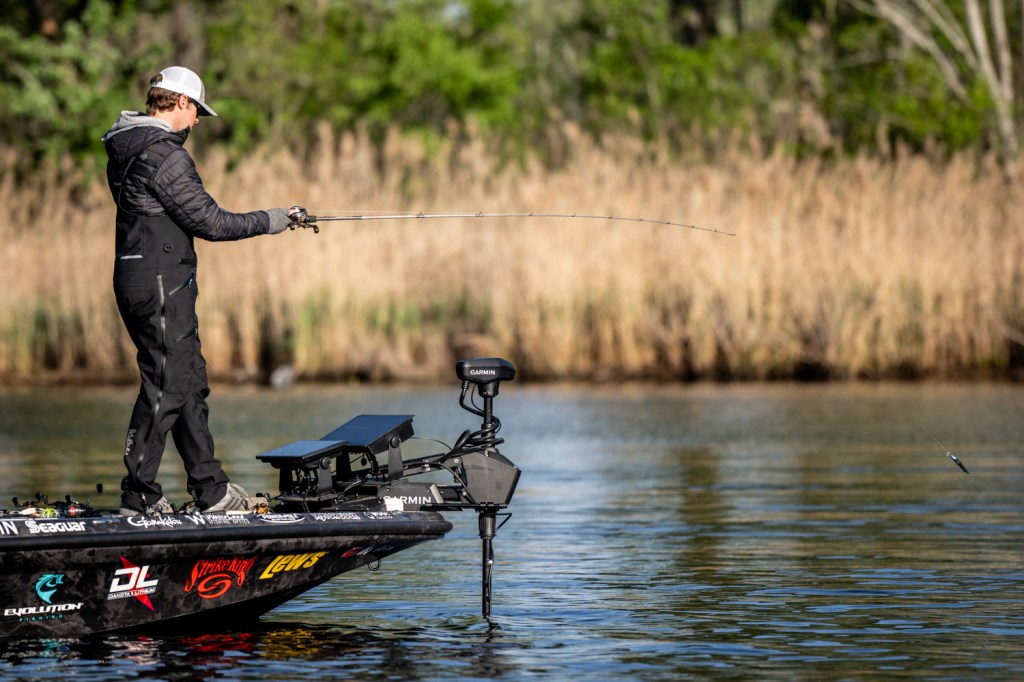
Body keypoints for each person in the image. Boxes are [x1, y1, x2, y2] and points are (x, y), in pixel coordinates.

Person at [102, 66, 295, 516]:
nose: (197, 122)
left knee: (187, 383)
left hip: (144, 279)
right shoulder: (164, 154)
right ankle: (139, 495)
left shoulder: (126, 147)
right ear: (182, 103)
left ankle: (212, 492)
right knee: (167, 384)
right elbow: (212, 222)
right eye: (197, 112)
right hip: (160, 285)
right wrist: (273, 220)